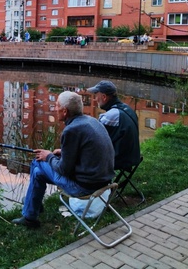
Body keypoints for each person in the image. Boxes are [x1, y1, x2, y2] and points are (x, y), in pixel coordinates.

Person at [11, 91, 115, 228]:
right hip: (104, 182)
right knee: (38, 172)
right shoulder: (92, 121)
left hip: (84, 188)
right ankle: (32, 209)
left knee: (37, 162)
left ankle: (30, 214)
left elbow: (63, 170)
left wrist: (48, 156)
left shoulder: (71, 130)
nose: (55, 109)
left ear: (65, 111)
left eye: (57, 106)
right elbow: (87, 152)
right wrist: (63, 152)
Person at [87, 80, 140, 171]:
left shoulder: (110, 116)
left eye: (96, 95)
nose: (95, 99)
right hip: (132, 156)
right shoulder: (127, 108)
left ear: (104, 97)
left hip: (120, 160)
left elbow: (94, 139)